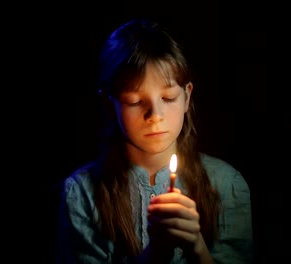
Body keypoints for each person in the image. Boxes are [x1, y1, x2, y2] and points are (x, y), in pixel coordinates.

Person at [55, 18, 253, 264]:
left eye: (168, 98)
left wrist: (197, 249)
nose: (155, 116)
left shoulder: (226, 185)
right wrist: (157, 252)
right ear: (109, 105)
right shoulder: (81, 193)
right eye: (136, 102)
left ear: (187, 96)